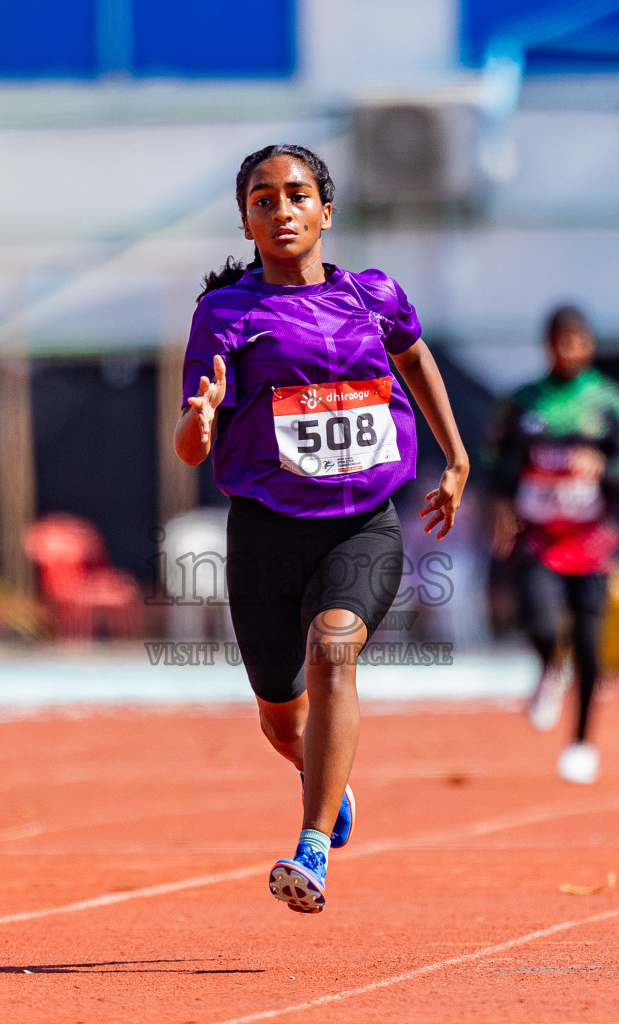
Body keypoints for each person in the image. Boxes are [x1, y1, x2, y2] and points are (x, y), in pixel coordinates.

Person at [174, 144, 469, 913]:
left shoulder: (375, 295)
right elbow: (188, 437)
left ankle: (310, 851)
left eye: (296, 195)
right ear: (245, 220)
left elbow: (415, 357)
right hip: (267, 531)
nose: (282, 210)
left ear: (325, 212)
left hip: (362, 525)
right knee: (280, 714)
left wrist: (456, 456)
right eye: (263, 200)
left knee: (334, 649)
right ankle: (320, 774)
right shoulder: (225, 315)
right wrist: (200, 425)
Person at [488, 305, 619, 784]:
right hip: (538, 535)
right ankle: (547, 664)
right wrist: (501, 508)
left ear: (588, 344)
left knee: (588, 643)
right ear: (546, 346)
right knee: (541, 622)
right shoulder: (522, 403)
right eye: (557, 341)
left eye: (575, 340)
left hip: (592, 539)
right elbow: (497, 464)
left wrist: (602, 467)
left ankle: (581, 742)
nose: (566, 350)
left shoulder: (610, 402)